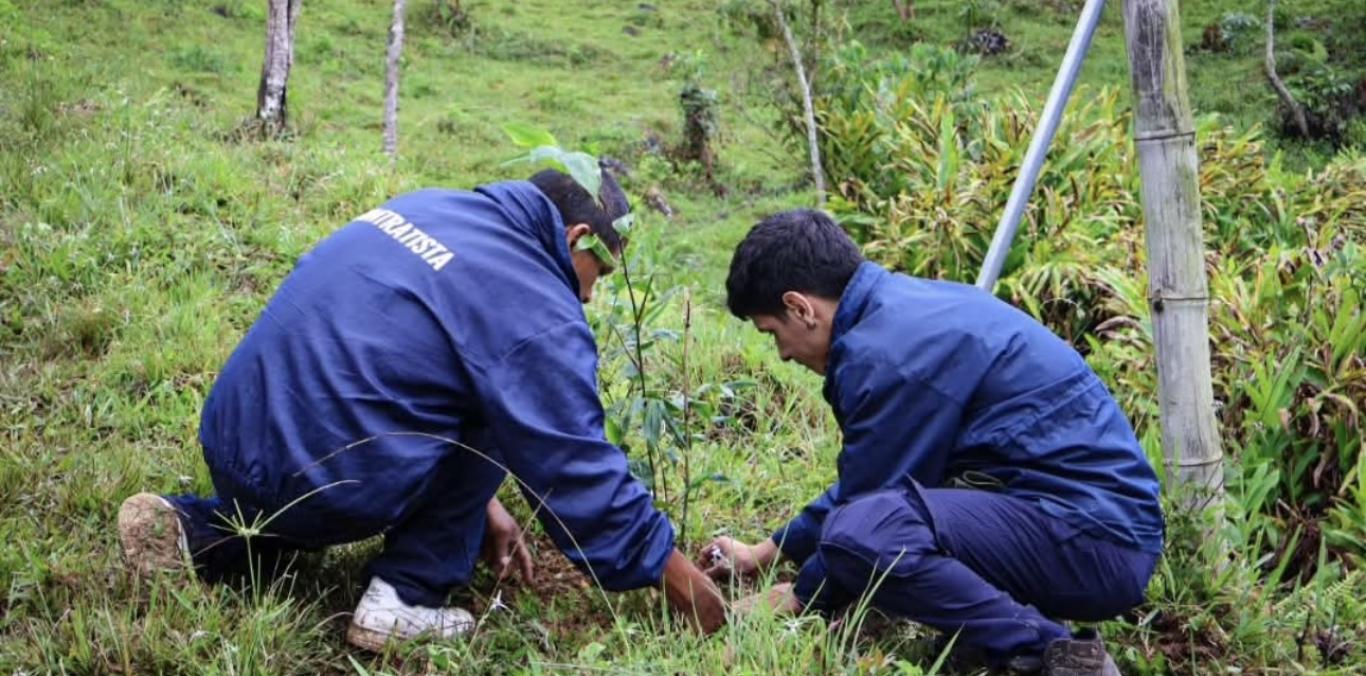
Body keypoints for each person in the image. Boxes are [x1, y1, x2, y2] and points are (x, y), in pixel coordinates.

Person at [117, 168, 725, 651]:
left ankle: (196, 529)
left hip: (233, 430)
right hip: (328, 475)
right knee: (505, 407)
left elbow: (402, 364)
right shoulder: (534, 302)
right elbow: (567, 458)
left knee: (451, 386)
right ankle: (406, 598)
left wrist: (479, 503)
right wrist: (670, 570)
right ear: (575, 239)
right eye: (601, 271)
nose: (592, 294)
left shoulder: (431, 206)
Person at [701, 210, 1163, 675]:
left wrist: (803, 596)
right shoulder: (902, 311)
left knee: (861, 537)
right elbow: (873, 479)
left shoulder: (885, 356)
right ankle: (990, 642)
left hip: (1095, 542)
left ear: (801, 308)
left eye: (773, 333)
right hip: (1091, 528)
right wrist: (768, 551)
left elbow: (863, 514)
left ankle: (1058, 655)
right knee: (875, 522)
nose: (781, 354)